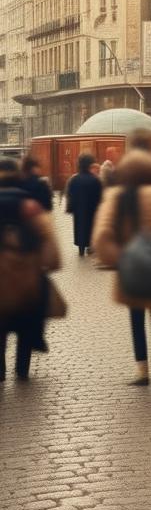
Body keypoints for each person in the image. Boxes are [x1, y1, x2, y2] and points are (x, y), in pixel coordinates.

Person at [91, 146, 151, 386]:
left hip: (131, 267)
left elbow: (101, 236)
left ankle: (143, 370)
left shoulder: (117, 195)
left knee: (136, 319)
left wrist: (120, 258)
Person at [0, 159, 60, 382]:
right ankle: (22, 369)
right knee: (25, 322)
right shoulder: (30, 205)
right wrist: (47, 265)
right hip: (26, 275)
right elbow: (49, 243)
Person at [66, 153, 103, 257]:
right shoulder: (95, 180)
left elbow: (70, 194)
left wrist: (71, 207)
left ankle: (81, 248)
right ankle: (90, 246)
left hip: (78, 209)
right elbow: (99, 196)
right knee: (91, 227)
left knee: (79, 227)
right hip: (92, 209)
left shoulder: (74, 179)